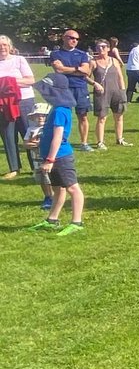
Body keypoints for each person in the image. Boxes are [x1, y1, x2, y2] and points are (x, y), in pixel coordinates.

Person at [27, 74, 86, 236]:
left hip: (60, 157)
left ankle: (77, 222)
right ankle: (52, 219)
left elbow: (58, 137)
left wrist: (50, 159)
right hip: (53, 157)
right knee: (58, 190)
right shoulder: (57, 108)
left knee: (73, 188)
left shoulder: (60, 110)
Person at [49, 28, 93, 151]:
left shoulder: (82, 54)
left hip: (80, 88)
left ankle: (84, 143)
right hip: (63, 88)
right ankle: (61, 141)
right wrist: (77, 69)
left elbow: (86, 71)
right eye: (72, 38)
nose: (74, 40)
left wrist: (67, 68)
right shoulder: (56, 54)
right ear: (64, 38)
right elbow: (58, 70)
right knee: (63, 115)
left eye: (77, 39)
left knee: (83, 116)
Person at [0, 34, 36, 179]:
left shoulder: (19, 60)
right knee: (8, 136)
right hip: (3, 105)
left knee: (28, 133)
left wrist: (8, 83)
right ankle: (14, 168)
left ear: (10, 47)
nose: (2, 47)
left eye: (4, 45)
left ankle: (35, 166)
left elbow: (30, 80)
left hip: (24, 101)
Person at [89, 40, 129, 149]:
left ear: (108, 48)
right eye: (98, 47)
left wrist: (123, 91)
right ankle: (100, 142)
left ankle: (120, 139)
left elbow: (120, 77)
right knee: (102, 118)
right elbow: (85, 76)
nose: (100, 49)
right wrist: (95, 84)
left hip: (116, 92)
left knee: (119, 116)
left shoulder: (114, 61)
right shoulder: (93, 62)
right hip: (102, 93)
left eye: (103, 47)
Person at [22, 102, 54, 209]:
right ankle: (47, 196)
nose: (40, 118)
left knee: (49, 178)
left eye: (43, 115)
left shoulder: (50, 129)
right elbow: (25, 143)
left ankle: (53, 196)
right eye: (38, 115)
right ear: (33, 117)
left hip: (47, 158)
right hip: (36, 159)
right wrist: (34, 144)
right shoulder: (31, 130)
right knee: (41, 179)